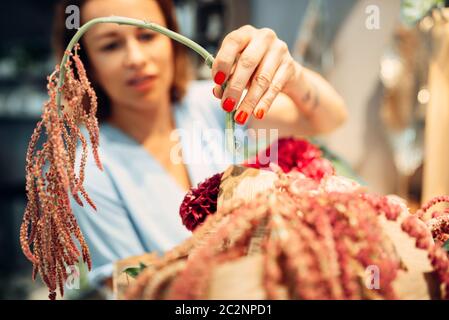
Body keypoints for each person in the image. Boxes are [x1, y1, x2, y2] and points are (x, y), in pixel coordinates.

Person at [52, 0, 347, 288]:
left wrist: (292, 76)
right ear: (84, 63)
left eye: (147, 35)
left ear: (172, 37)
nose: (136, 58)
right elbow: (133, 287)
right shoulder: (90, 174)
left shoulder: (213, 104)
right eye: (111, 45)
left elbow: (328, 119)